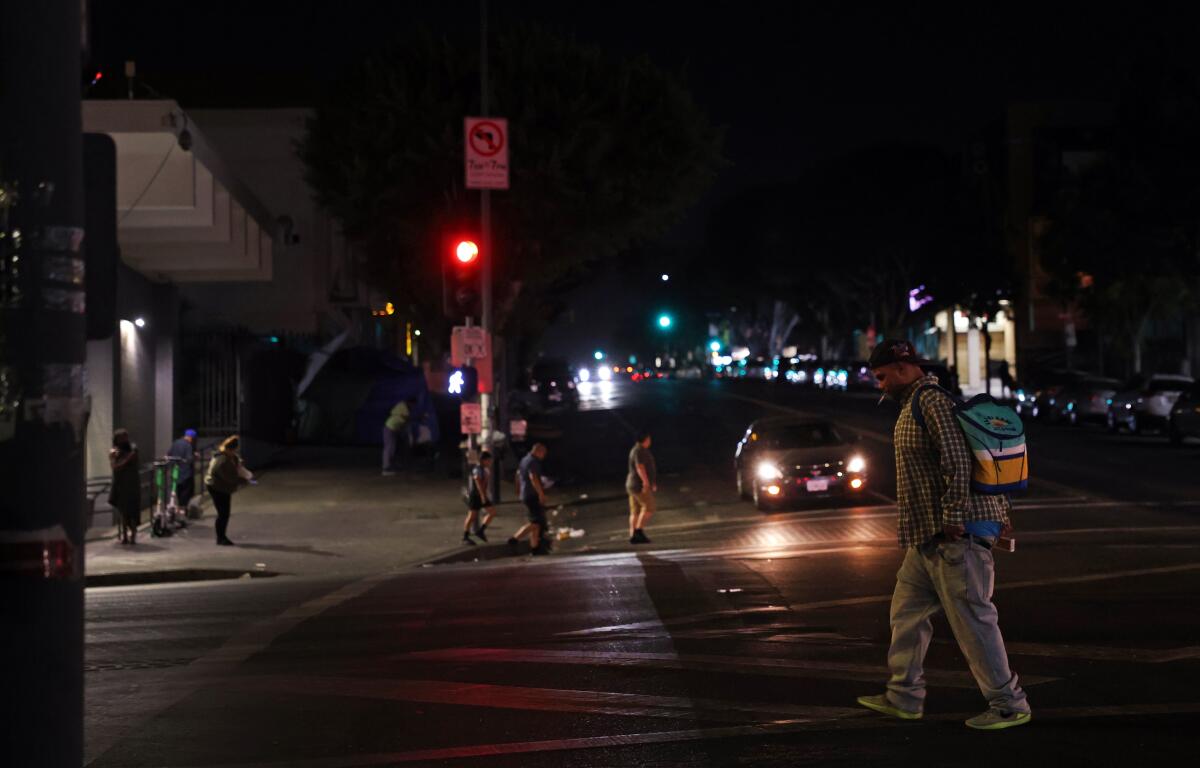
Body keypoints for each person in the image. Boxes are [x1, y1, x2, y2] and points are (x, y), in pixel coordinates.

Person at [858, 339, 1031, 731]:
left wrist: (954, 516)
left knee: (974, 622)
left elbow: (956, 458)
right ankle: (903, 696)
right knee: (905, 614)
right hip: (927, 537)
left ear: (904, 368)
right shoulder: (913, 404)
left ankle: (1008, 704)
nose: (880, 384)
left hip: (955, 534)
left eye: (882, 376)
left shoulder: (931, 402)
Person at [204, 435, 251, 546]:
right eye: (234, 450)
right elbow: (229, 477)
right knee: (223, 513)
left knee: (224, 513)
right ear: (230, 449)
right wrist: (243, 480)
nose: (235, 452)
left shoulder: (228, 456)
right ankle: (221, 538)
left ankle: (221, 537)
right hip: (216, 487)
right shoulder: (222, 460)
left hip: (220, 487)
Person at [508, 443, 549, 555]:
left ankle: (534, 549)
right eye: (543, 453)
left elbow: (517, 475)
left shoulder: (524, 459)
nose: (544, 456)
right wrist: (541, 494)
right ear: (538, 451)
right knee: (535, 523)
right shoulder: (533, 461)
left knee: (537, 524)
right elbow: (533, 477)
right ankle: (515, 538)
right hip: (532, 495)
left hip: (525, 494)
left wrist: (517, 489)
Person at [108, 429, 141, 545]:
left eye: (125, 437)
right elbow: (115, 467)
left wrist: (119, 460)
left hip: (131, 484)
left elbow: (131, 458)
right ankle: (125, 535)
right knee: (123, 511)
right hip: (120, 484)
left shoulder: (132, 448)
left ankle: (133, 534)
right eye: (122, 437)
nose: (124, 439)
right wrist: (115, 459)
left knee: (132, 510)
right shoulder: (115, 451)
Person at [626, 430, 657, 544]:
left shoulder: (636, 449)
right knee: (649, 507)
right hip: (638, 485)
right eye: (649, 439)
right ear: (646, 439)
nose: (650, 441)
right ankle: (638, 531)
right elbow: (640, 467)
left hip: (632, 484)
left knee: (635, 511)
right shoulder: (639, 450)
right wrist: (646, 483)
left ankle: (633, 535)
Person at [462, 451, 495, 545]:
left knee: (492, 512)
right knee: (472, 516)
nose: (490, 463)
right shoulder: (477, 469)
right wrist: (483, 496)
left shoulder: (485, 469)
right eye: (488, 461)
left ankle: (480, 531)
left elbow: (484, 484)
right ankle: (465, 536)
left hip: (481, 494)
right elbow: (478, 484)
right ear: (484, 460)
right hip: (476, 495)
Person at [167, 428, 197, 511]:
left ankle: (179, 510)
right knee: (186, 494)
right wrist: (195, 456)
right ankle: (183, 511)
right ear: (191, 437)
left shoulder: (176, 442)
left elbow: (169, 454)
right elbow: (189, 459)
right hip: (186, 474)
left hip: (175, 473)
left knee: (179, 493)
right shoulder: (188, 445)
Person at [381, 399, 411, 476]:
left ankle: (389, 467)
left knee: (392, 448)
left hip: (392, 429)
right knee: (389, 447)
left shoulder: (400, 411)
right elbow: (406, 418)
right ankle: (386, 468)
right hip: (389, 428)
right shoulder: (403, 407)